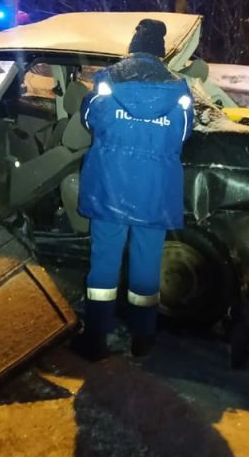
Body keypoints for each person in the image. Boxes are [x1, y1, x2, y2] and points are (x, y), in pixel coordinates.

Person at [72, 18, 194, 361]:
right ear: (160, 52)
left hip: (111, 184)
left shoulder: (108, 81)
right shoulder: (179, 90)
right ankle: (144, 337)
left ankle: (96, 337)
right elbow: (184, 133)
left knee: (104, 264)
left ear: (133, 48)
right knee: (146, 264)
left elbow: (89, 119)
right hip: (154, 190)